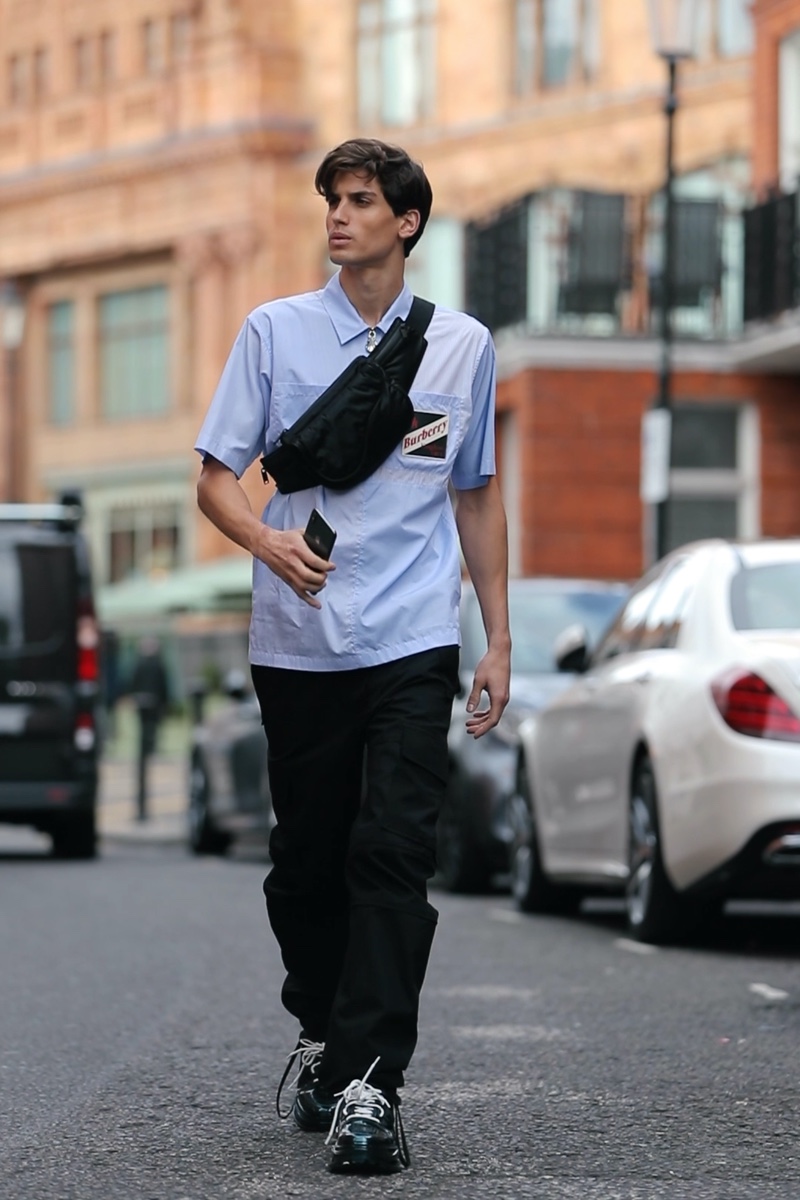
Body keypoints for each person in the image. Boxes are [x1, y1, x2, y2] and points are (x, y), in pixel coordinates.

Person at [194, 138, 510, 1176]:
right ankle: (326, 1033)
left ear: (405, 222)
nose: (337, 215)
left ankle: (371, 1080)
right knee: (307, 869)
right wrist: (265, 541)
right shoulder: (274, 333)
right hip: (297, 647)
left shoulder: (460, 346)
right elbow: (215, 481)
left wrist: (494, 637)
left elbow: (473, 493)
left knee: (391, 856)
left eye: (359, 200)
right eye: (331, 198)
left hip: (412, 641)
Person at [128, 636, 170, 821]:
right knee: (149, 734)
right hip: (152, 705)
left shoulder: (141, 664)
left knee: (146, 737)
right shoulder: (157, 664)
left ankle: (147, 749)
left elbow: (133, 683)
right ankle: (148, 748)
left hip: (144, 704)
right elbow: (163, 685)